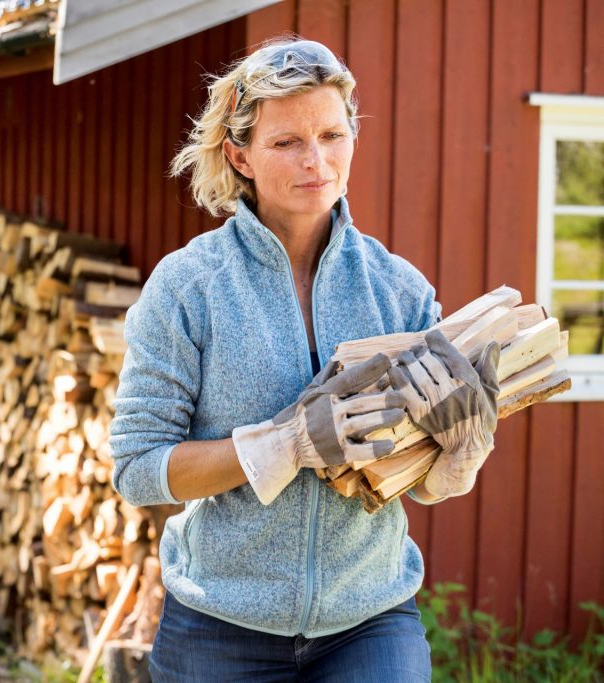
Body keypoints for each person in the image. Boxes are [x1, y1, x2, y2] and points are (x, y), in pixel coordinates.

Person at [107, 37, 500, 682]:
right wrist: (283, 444)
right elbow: (139, 468)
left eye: (331, 134)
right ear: (240, 155)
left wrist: (458, 455)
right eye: (286, 142)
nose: (316, 160)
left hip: (369, 618)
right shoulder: (189, 286)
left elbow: (422, 483)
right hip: (219, 624)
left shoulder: (399, 289)